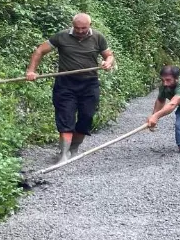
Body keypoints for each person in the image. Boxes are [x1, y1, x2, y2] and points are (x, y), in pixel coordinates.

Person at [26, 13, 115, 164]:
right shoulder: (61, 36)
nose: (80, 31)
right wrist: (31, 71)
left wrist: (107, 62)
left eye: (84, 28)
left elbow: (109, 55)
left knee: (86, 118)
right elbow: (40, 51)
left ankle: (74, 149)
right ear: (72, 25)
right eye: (77, 28)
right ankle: (63, 154)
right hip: (65, 84)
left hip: (89, 83)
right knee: (65, 117)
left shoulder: (98, 37)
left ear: (90, 26)